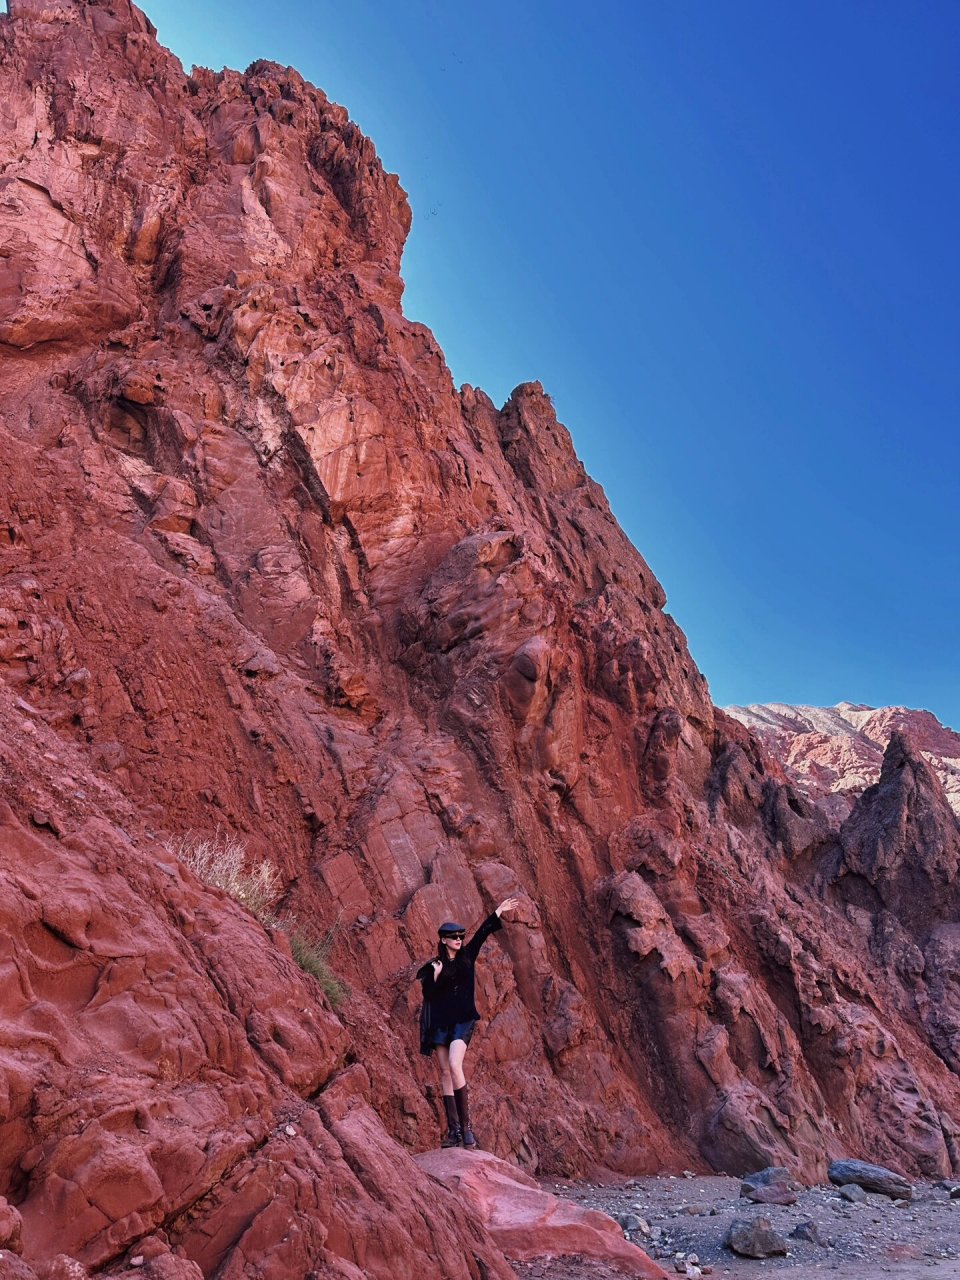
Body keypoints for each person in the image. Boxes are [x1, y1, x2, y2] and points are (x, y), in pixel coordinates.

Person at [416, 896, 520, 1149]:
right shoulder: (434, 965)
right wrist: (437, 975)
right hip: (440, 1023)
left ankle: (467, 1128)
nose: (459, 940)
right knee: (444, 1072)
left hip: (463, 1021)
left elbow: (482, 934)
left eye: (460, 936)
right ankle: (454, 1133)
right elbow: (428, 995)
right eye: (454, 937)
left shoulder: (467, 956)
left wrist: (497, 912)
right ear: (443, 940)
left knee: (454, 1064)